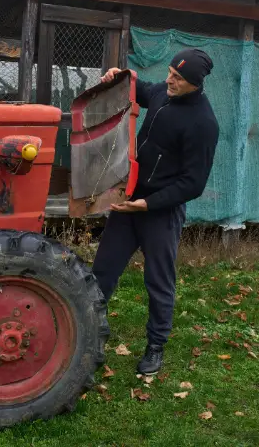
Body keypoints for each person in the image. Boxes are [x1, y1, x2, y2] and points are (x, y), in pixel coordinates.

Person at [93, 48, 219, 376]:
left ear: (195, 82)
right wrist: (118, 80)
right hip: (129, 202)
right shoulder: (165, 92)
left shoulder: (203, 123)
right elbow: (145, 90)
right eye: (169, 73)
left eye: (177, 78)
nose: (169, 80)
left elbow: (193, 183)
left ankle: (156, 345)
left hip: (160, 212)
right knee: (103, 270)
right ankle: (89, 326)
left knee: (158, 281)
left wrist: (148, 204)